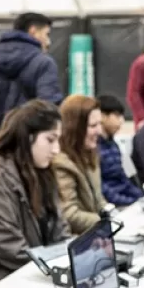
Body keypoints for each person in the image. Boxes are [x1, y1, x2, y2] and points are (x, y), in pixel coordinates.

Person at [0, 100, 69, 288]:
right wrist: (57, 268)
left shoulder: (41, 170)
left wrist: (72, 257)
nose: (56, 149)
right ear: (28, 138)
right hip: (2, 279)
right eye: (50, 139)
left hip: (30, 270)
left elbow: (59, 228)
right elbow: (9, 248)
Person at [0, 12, 63, 138]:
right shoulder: (44, 64)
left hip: (3, 147)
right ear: (33, 31)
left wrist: (0, 141)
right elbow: (48, 109)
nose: (49, 42)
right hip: (32, 148)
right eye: (46, 34)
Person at [53, 95, 108, 234]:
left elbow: (98, 200)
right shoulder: (61, 163)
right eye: (93, 126)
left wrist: (111, 213)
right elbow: (69, 215)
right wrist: (106, 223)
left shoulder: (89, 153)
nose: (100, 131)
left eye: (100, 124)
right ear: (75, 127)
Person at [96, 95, 142, 206]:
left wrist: (141, 197)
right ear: (102, 116)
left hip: (124, 200)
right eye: (117, 116)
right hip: (111, 205)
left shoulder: (114, 144)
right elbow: (102, 188)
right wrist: (128, 202)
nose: (121, 121)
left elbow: (122, 178)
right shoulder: (93, 147)